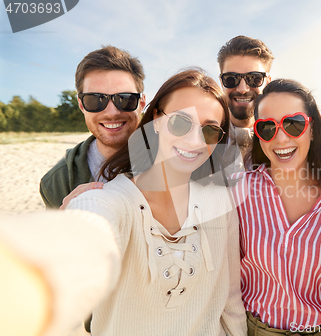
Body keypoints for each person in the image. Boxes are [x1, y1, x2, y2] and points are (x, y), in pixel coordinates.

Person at [2, 69, 247, 336]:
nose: (194, 140)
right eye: (180, 122)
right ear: (155, 119)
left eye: (209, 131)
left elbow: (231, 298)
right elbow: (88, 232)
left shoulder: (220, 201)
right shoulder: (114, 199)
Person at [231, 79, 321, 335]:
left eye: (294, 124)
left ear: (311, 130)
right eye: (267, 127)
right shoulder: (237, 191)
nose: (280, 137)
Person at [40, 45, 146, 208]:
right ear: (82, 105)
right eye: (95, 100)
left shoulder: (174, 161)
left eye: (125, 99)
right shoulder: (56, 182)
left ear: (141, 103)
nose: (111, 112)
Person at [217, 35, 273, 154]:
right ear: (222, 82)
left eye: (254, 78)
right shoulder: (203, 137)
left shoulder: (285, 137)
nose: (243, 89)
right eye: (231, 79)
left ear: (267, 82)